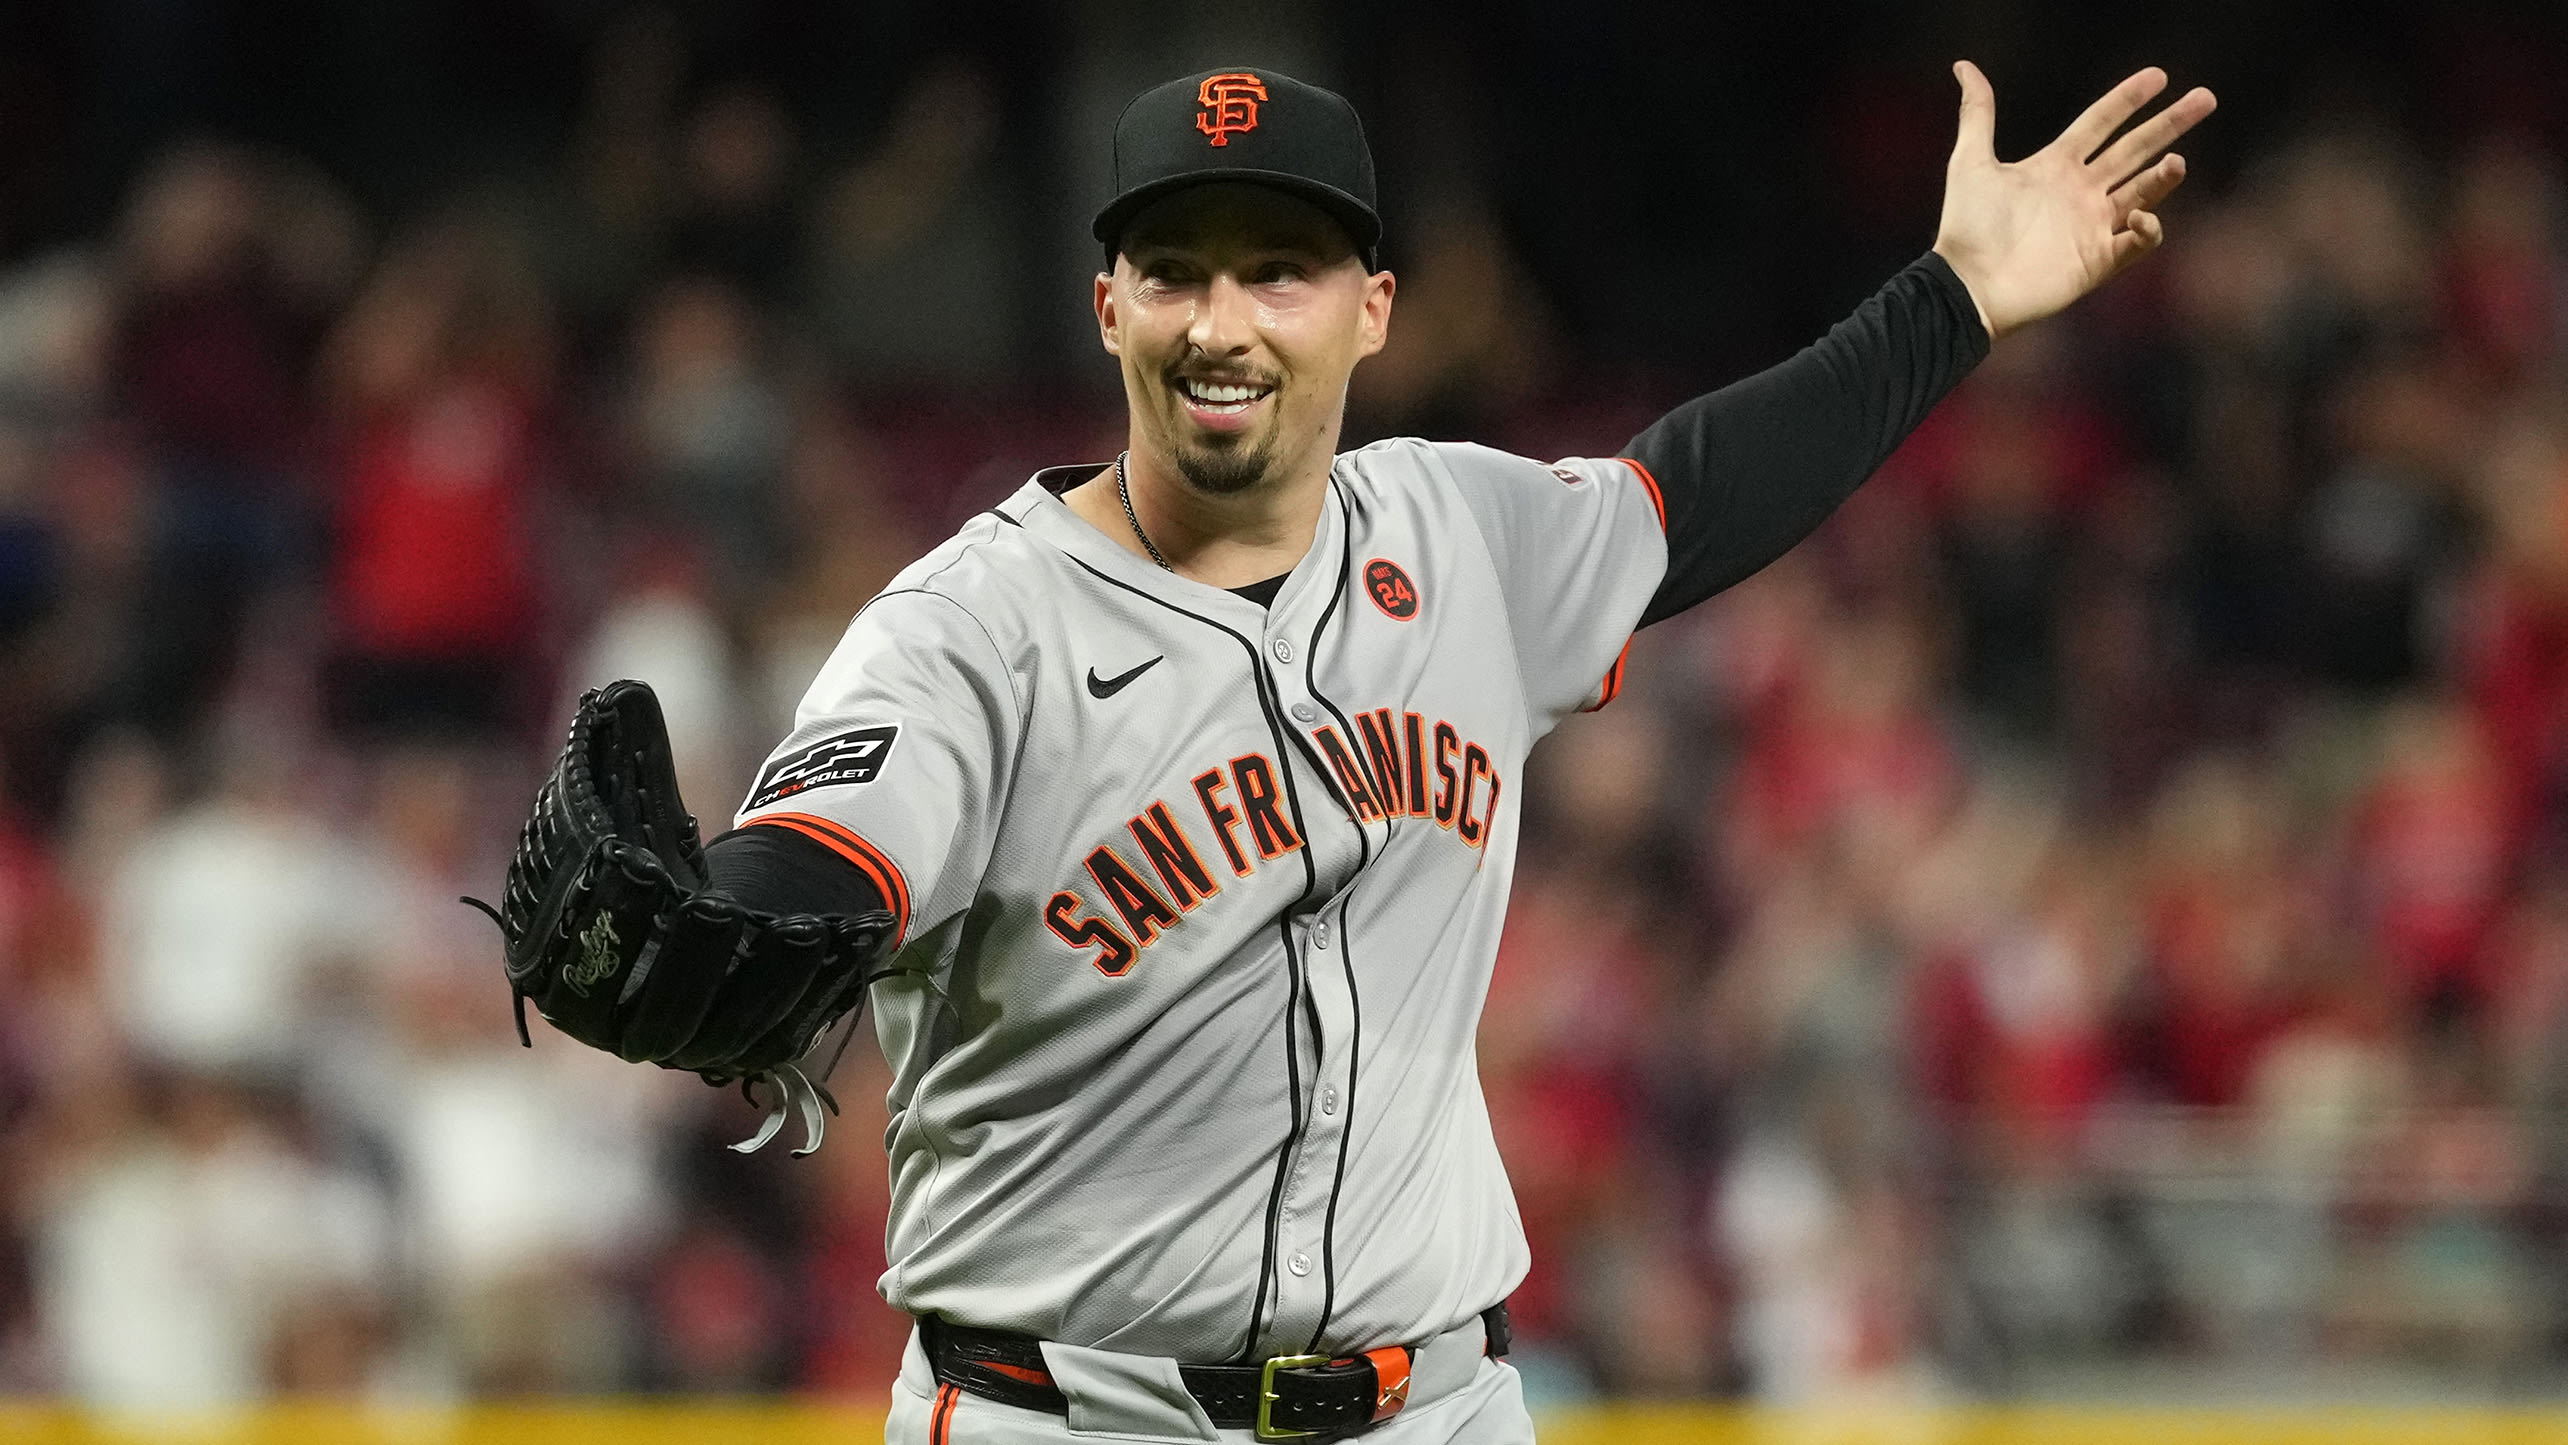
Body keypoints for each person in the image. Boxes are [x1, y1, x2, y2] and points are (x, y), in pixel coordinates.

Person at [492, 61, 2212, 1443]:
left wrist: (1962, 294)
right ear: (1107, 307)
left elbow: (1707, 486)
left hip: (1433, 1404)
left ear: (1373, 308)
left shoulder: (1466, 537)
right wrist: (714, 913)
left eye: (1280, 271)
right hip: (1068, 1414)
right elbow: (810, 872)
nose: (1221, 321)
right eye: (1174, 271)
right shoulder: (969, 629)